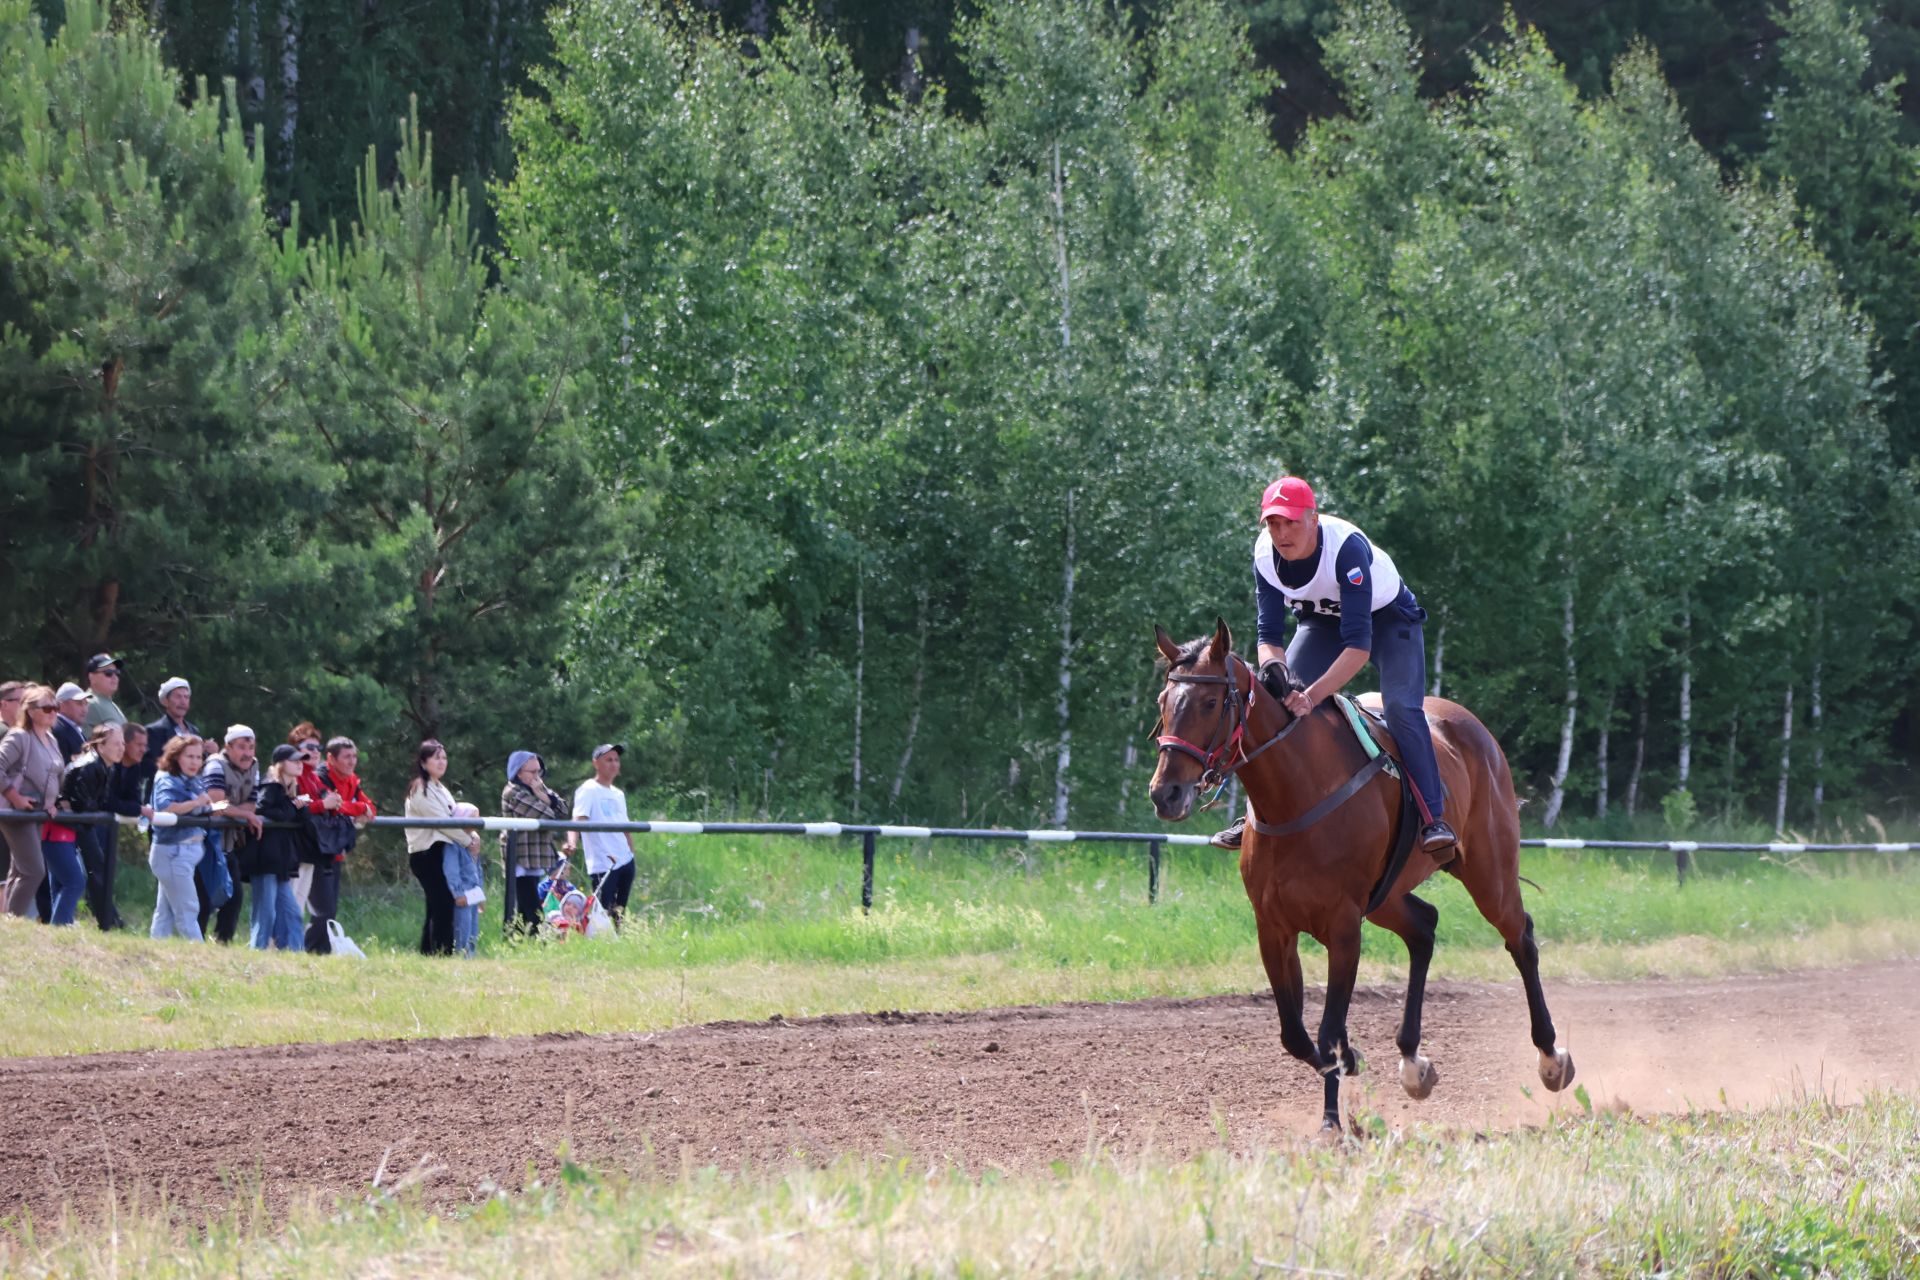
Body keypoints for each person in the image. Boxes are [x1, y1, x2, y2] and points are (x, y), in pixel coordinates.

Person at [1210, 476, 1457, 857]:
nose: (1281, 533)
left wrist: (1309, 696)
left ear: (1313, 518)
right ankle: (1252, 815)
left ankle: (1434, 818)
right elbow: (1268, 635)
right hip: (1322, 623)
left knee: (1401, 710)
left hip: (1388, 621)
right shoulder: (1264, 555)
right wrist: (1274, 669)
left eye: (1291, 522)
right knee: (1269, 704)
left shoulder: (1346, 550)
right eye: (1273, 523)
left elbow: (1358, 648)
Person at [403, 739, 475, 956]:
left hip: (441, 852)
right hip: (426, 854)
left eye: (444, 757)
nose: (442, 762)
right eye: (436, 758)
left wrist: (471, 835)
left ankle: (430, 952)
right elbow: (441, 821)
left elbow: (453, 818)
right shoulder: (420, 788)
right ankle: (442, 953)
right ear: (423, 762)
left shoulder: (439, 788)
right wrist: (468, 841)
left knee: (437, 906)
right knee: (442, 904)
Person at [304, 736, 376, 954]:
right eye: (347, 757)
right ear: (331, 759)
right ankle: (315, 951)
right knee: (322, 910)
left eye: (354, 756)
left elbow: (370, 808)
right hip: (316, 851)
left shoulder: (352, 781)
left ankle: (319, 951)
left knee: (329, 910)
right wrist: (356, 809)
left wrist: (356, 807)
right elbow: (333, 806)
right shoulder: (321, 778)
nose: (352, 761)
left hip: (335, 851)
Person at [0, 686, 65, 917]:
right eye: (47, 707)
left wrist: (53, 802)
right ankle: (13, 922)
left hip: (37, 813)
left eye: (56, 707)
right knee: (34, 871)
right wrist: (14, 797)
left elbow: (54, 776)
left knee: (19, 870)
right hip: (16, 813)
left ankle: (8, 923)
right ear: (30, 711)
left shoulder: (51, 739)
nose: (53, 712)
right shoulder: (19, 736)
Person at [57, 722, 127, 929]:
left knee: (94, 868)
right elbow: (81, 803)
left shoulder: (105, 767)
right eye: (116, 743)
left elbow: (93, 803)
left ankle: (107, 917)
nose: (121, 747)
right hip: (70, 823)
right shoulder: (91, 766)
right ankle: (107, 919)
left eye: (123, 743)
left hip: (81, 823)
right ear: (100, 746)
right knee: (93, 869)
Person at [242, 744, 310, 951]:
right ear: (280, 764)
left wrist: (298, 805)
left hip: (279, 862)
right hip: (265, 860)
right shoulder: (271, 786)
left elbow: (299, 817)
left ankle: (295, 955)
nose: (299, 764)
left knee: (292, 913)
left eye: (301, 760)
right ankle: (257, 952)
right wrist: (294, 805)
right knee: (266, 913)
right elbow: (263, 809)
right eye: (294, 760)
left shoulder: (290, 791)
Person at [199, 726, 264, 943]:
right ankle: (193, 942)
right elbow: (216, 805)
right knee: (203, 899)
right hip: (205, 842)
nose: (247, 753)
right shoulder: (215, 766)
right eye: (241, 747)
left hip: (228, 843)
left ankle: (222, 943)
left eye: (251, 747)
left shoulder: (254, 766)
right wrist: (244, 814)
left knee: (234, 898)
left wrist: (237, 811)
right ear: (228, 747)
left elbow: (252, 804)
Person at [148, 734, 213, 940]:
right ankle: (199, 958)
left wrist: (208, 806)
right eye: (189, 756)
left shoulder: (194, 780)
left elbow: (201, 805)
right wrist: (196, 803)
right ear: (176, 756)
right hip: (172, 852)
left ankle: (156, 954)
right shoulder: (166, 778)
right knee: (188, 909)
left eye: (198, 757)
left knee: (165, 913)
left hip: (186, 851)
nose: (195, 762)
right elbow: (166, 807)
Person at [500, 750, 569, 938]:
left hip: (536, 856)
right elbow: (546, 815)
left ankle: (519, 941)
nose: (537, 776)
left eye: (539, 771)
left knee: (526, 906)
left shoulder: (537, 788)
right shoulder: (513, 791)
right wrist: (545, 798)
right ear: (518, 772)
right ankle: (534, 940)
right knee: (530, 905)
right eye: (532, 772)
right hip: (521, 857)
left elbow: (563, 809)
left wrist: (541, 794)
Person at [570, 743, 637, 929]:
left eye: (616, 760)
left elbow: (625, 826)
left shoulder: (618, 794)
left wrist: (631, 853)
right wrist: (571, 843)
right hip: (603, 861)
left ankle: (617, 944)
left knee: (620, 911)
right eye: (609, 760)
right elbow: (577, 819)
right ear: (596, 763)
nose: (614, 764)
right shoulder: (589, 789)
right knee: (602, 910)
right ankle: (600, 944)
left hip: (625, 859)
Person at [445, 803, 484, 957]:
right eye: (473, 817)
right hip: (463, 895)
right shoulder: (453, 845)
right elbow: (451, 870)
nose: (477, 820)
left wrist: (481, 896)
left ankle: (471, 956)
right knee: (463, 927)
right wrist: (458, 893)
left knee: (473, 929)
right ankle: (460, 956)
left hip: (474, 894)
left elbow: (477, 871)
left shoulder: (473, 843)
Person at [142, 677, 200, 779]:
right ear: (166, 701)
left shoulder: (194, 731)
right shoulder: (154, 731)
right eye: (178, 697)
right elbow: (149, 767)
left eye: (186, 697)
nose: (183, 702)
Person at [81, 654, 127, 730]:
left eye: (117, 672)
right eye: (108, 673)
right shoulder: (89, 702)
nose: (114, 677)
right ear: (91, 676)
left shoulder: (107, 702)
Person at [51, 684, 88, 762]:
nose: (84, 709)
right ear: (62, 705)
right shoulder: (58, 730)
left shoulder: (73, 727)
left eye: (86, 704)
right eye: (79, 703)